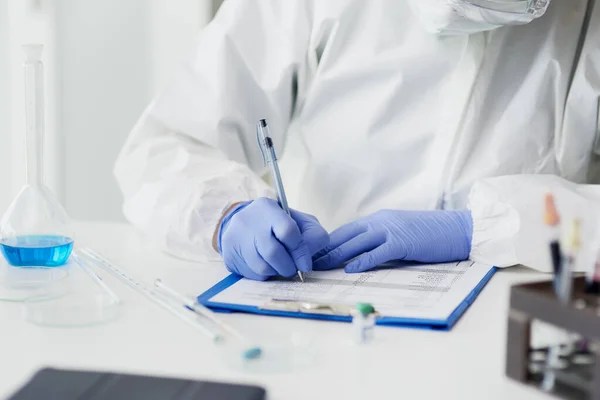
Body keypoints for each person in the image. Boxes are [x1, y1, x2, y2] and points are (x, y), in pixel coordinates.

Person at [114, 0, 600, 281]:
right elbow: (163, 147)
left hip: (530, 311)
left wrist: (490, 229)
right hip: (323, 304)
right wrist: (226, 215)